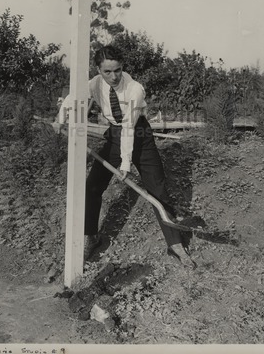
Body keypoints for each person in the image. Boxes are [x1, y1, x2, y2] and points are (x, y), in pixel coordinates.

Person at [59, 45, 195, 268]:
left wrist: (125, 163)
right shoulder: (94, 83)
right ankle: (90, 236)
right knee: (92, 186)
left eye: (118, 70)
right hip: (114, 134)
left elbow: (129, 128)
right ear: (99, 70)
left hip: (140, 135)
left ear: (123, 67)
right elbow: (74, 97)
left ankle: (175, 245)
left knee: (158, 189)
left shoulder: (135, 89)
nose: (113, 77)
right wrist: (62, 116)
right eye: (107, 72)